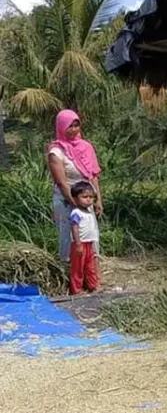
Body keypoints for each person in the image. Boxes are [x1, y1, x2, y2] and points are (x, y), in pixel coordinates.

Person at [47, 109, 102, 263]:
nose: (73, 130)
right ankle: (70, 273)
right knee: (69, 236)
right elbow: (61, 182)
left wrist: (97, 200)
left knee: (90, 235)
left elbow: (93, 175)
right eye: (69, 126)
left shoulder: (86, 147)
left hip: (86, 198)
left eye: (76, 125)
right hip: (67, 201)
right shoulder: (56, 151)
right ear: (61, 127)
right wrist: (75, 203)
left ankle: (90, 273)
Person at [69, 181, 100, 295]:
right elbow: (74, 227)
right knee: (78, 269)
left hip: (89, 244)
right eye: (84, 197)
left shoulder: (89, 212)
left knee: (90, 267)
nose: (88, 199)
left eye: (91, 197)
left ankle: (93, 286)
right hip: (80, 244)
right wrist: (78, 243)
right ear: (76, 199)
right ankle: (76, 290)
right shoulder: (76, 212)